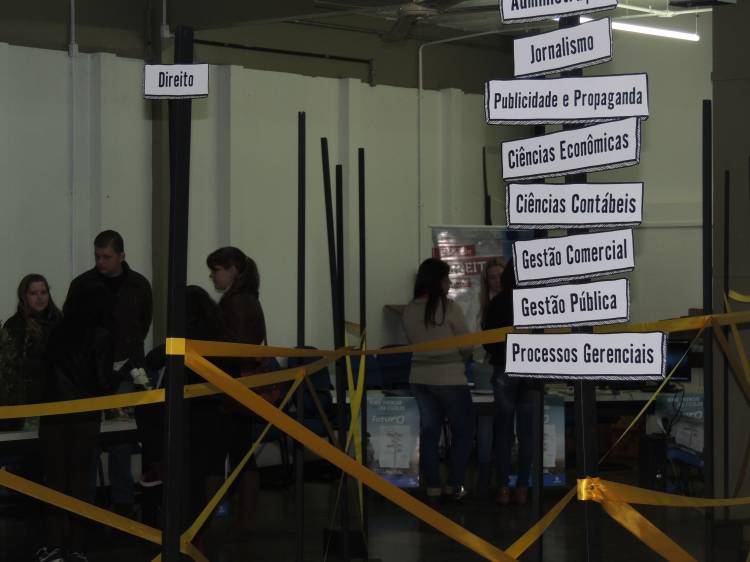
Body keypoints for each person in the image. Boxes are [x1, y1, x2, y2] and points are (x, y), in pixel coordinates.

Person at [64, 230, 152, 516]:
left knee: (121, 438)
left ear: (121, 256)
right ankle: (87, 500)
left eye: (106, 257)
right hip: (90, 371)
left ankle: (123, 501)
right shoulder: (83, 284)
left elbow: (142, 323)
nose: (100, 262)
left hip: (126, 368)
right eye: (97, 256)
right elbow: (71, 325)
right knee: (88, 437)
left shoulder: (139, 285)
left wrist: (128, 352)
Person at [36, 281, 117, 562]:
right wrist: (123, 373)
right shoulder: (101, 335)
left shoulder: (56, 330)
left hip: (52, 415)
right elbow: (103, 383)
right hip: (84, 416)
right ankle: (78, 547)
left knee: (54, 481)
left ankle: (53, 545)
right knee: (80, 481)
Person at [403, 258, 475, 502]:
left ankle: (433, 485)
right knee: (463, 432)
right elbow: (466, 344)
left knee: (430, 432)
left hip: (419, 378)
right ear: (438, 281)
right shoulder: (449, 307)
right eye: (446, 279)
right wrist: (462, 360)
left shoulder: (409, 309)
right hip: (450, 378)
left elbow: (412, 342)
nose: (449, 283)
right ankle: (454, 485)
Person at [206, 246, 268, 532]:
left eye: (216, 270)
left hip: (231, 389)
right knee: (241, 453)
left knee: (221, 455)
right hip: (239, 388)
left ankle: (213, 521)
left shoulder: (236, 302)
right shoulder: (246, 299)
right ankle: (244, 520)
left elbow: (237, 350)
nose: (212, 275)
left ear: (232, 271)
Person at [483, 260, 533, 505]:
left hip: (504, 368)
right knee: (526, 434)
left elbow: (487, 342)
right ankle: (523, 488)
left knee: (503, 434)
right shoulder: (534, 302)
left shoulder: (496, 304)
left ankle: (503, 488)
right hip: (530, 370)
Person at [4, 274, 62, 407]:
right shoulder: (15, 325)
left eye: (43, 292)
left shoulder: (58, 320)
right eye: (33, 293)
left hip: (58, 393)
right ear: (24, 296)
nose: (40, 297)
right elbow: (12, 365)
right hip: (28, 396)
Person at [474, 258, 505, 496]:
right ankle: (484, 478)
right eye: (492, 277)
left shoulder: (514, 302)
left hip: (506, 367)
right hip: (486, 367)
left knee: (505, 424)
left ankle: (503, 477)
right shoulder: (482, 307)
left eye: (500, 276)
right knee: (485, 423)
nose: (497, 281)